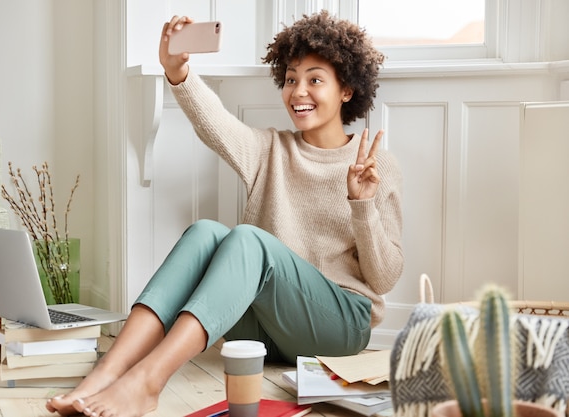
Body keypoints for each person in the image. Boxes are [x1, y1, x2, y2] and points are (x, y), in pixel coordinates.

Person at [47, 10, 403, 417]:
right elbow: (212, 121)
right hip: (268, 332)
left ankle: (148, 382)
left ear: (346, 90)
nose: (298, 91)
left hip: (339, 326)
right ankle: (107, 372)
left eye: (315, 79)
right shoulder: (271, 150)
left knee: (246, 239)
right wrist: (176, 70)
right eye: (290, 78)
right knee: (204, 233)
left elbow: (385, 276)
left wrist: (361, 205)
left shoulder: (376, 165)